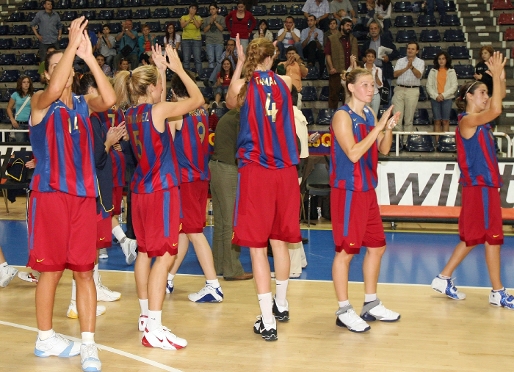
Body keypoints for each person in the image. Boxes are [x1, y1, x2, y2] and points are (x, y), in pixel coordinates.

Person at [28, 16, 116, 371]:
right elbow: (51, 89)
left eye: (64, 64)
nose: (61, 71)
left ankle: (89, 344)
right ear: (49, 75)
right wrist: (67, 47)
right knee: (51, 272)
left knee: (84, 271)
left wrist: (89, 56)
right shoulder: (40, 101)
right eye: (54, 67)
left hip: (82, 200)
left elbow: (108, 99)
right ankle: (44, 338)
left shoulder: (82, 103)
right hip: (50, 196)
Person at [114, 44, 203, 349]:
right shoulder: (158, 110)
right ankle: (154, 327)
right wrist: (177, 69)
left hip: (139, 189)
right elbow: (198, 100)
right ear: (151, 89)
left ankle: (145, 316)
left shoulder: (131, 113)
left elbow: (158, 103)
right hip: (162, 191)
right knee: (163, 259)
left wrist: (161, 71)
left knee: (144, 253)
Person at [226, 36, 302, 341]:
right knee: (280, 241)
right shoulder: (284, 82)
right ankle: (281, 305)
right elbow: (295, 77)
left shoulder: (244, 88)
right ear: (272, 57)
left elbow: (230, 102)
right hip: (284, 169)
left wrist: (241, 63)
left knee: (257, 247)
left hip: (257, 168)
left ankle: (267, 320)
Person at [431, 52, 512, 309]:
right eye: (482, 93)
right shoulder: (468, 122)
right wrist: (495, 80)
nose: (487, 97)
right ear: (468, 96)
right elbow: (498, 107)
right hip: (479, 186)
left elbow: (502, 94)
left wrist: (498, 74)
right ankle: (498, 291)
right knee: (492, 237)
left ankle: (444, 278)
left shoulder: (479, 122)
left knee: (476, 237)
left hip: (482, 186)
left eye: (488, 93)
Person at [330, 67, 401, 333]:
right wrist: (378, 128)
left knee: (377, 246)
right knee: (345, 252)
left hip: (367, 189)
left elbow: (381, 148)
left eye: (372, 85)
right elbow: (353, 153)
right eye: (365, 84)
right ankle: (344, 310)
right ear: (350, 87)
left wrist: (388, 129)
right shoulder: (342, 116)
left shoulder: (369, 114)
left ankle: (370, 304)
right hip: (348, 190)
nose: (371, 89)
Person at [164, 71, 223, 303]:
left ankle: (213, 284)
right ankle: (168, 278)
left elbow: (165, 141)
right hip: (200, 176)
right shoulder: (201, 111)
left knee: (194, 233)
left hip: (186, 178)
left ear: (173, 93)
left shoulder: (178, 114)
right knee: (186, 231)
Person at [209, 108, 253, 281]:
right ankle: (232, 269)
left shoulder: (229, 115)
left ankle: (218, 264)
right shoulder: (239, 118)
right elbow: (244, 146)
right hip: (227, 169)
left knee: (220, 222)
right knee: (231, 222)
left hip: (216, 167)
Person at [359, 20, 399, 104]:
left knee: (386, 95)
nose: (373, 30)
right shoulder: (366, 44)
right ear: (369, 31)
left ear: (379, 30)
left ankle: (386, 114)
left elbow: (396, 52)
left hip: (385, 70)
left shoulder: (386, 41)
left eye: (375, 28)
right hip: (370, 72)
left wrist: (388, 57)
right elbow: (360, 55)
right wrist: (363, 58)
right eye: (371, 29)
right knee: (370, 94)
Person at [392, 42, 424, 142]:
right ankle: (398, 142)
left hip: (412, 90)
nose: (410, 50)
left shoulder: (420, 62)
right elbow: (395, 74)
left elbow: (419, 75)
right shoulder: (400, 61)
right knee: (397, 117)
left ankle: (406, 142)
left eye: (412, 49)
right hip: (399, 89)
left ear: (417, 51)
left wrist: (412, 67)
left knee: (408, 119)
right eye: (408, 48)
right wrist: (406, 67)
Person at [325, 18, 358, 109]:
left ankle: (347, 117)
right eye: (347, 25)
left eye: (350, 26)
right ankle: (332, 117)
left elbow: (356, 56)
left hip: (349, 73)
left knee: (348, 97)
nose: (349, 28)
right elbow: (328, 54)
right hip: (336, 72)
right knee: (333, 96)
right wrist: (331, 68)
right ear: (342, 26)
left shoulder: (353, 39)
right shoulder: (332, 38)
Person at [426, 51, 458, 138]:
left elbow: (454, 86)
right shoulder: (432, 71)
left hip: (447, 99)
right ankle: (437, 143)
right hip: (435, 98)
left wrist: (443, 95)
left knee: (445, 121)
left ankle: (445, 142)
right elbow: (429, 86)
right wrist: (436, 96)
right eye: (439, 59)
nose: (441, 61)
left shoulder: (451, 71)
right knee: (436, 121)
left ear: (446, 60)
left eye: (443, 59)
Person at [348, 50, 382, 114]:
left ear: (375, 59)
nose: (370, 58)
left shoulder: (378, 69)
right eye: (368, 56)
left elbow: (380, 86)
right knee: (364, 114)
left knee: (374, 115)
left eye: (372, 56)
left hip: (375, 94)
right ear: (365, 58)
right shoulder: (361, 68)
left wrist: (376, 77)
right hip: (363, 94)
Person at [7, 75, 33, 143]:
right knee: (20, 144)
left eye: (28, 82)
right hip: (19, 124)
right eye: (24, 82)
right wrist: (12, 119)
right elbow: (9, 108)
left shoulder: (33, 95)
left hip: (30, 124)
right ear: (20, 84)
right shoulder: (15, 94)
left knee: (32, 145)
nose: (26, 84)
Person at [180, 4, 203, 78]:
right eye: (192, 8)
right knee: (186, 59)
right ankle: (187, 76)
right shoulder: (184, 17)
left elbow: (198, 26)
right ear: (189, 9)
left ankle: (199, 75)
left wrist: (193, 18)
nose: (193, 10)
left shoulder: (198, 17)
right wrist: (189, 19)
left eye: (195, 9)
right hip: (186, 39)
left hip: (196, 39)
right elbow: (182, 25)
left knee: (197, 59)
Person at [203, 2, 226, 69]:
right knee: (211, 60)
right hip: (209, 42)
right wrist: (210, 23)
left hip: (219, 41)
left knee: (219, 60)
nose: (212, 10)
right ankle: (212, 76)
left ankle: (218, 75)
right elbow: (204, 30)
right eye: (210, 9)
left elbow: (221, 29)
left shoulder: (221, 18)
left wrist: (215, 22)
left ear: (216, 9)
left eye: (213, 9)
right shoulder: (207, 19)